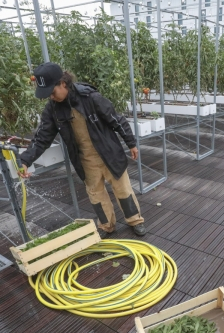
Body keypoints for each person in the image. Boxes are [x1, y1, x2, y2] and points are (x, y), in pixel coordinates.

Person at [19, 62, 146, 238]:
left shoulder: (90, 98)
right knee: (96, 195)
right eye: (47, 95)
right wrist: (25, 160)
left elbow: (116, 119)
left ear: (63, 83)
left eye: (52, 92)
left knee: (123, 190)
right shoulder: (52, 109)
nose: (51, 97)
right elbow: (42, 137)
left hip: (110, 154)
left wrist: (131, 142)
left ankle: (135, 221)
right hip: (86, 160)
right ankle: (107, 225)